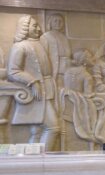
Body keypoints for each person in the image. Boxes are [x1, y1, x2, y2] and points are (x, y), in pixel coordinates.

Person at [7, 15, 60, 149]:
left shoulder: (39, 44)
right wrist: (32, 81)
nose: (38, 29)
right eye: (34, 26)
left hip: (46, 91)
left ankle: (34, 157)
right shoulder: (20, 46)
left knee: (37, 130)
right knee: (53, 127)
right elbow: (13, 71)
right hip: (34, 93)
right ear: (25, 28)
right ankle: (44, 157)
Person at [40, 13, 71, 84]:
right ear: (50, 23)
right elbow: (43, 56)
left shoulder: (64, 37)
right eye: (55, 21)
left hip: (66, 68)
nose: (58, 23)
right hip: (55, 69)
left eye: (60, 21)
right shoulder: (45, 37)